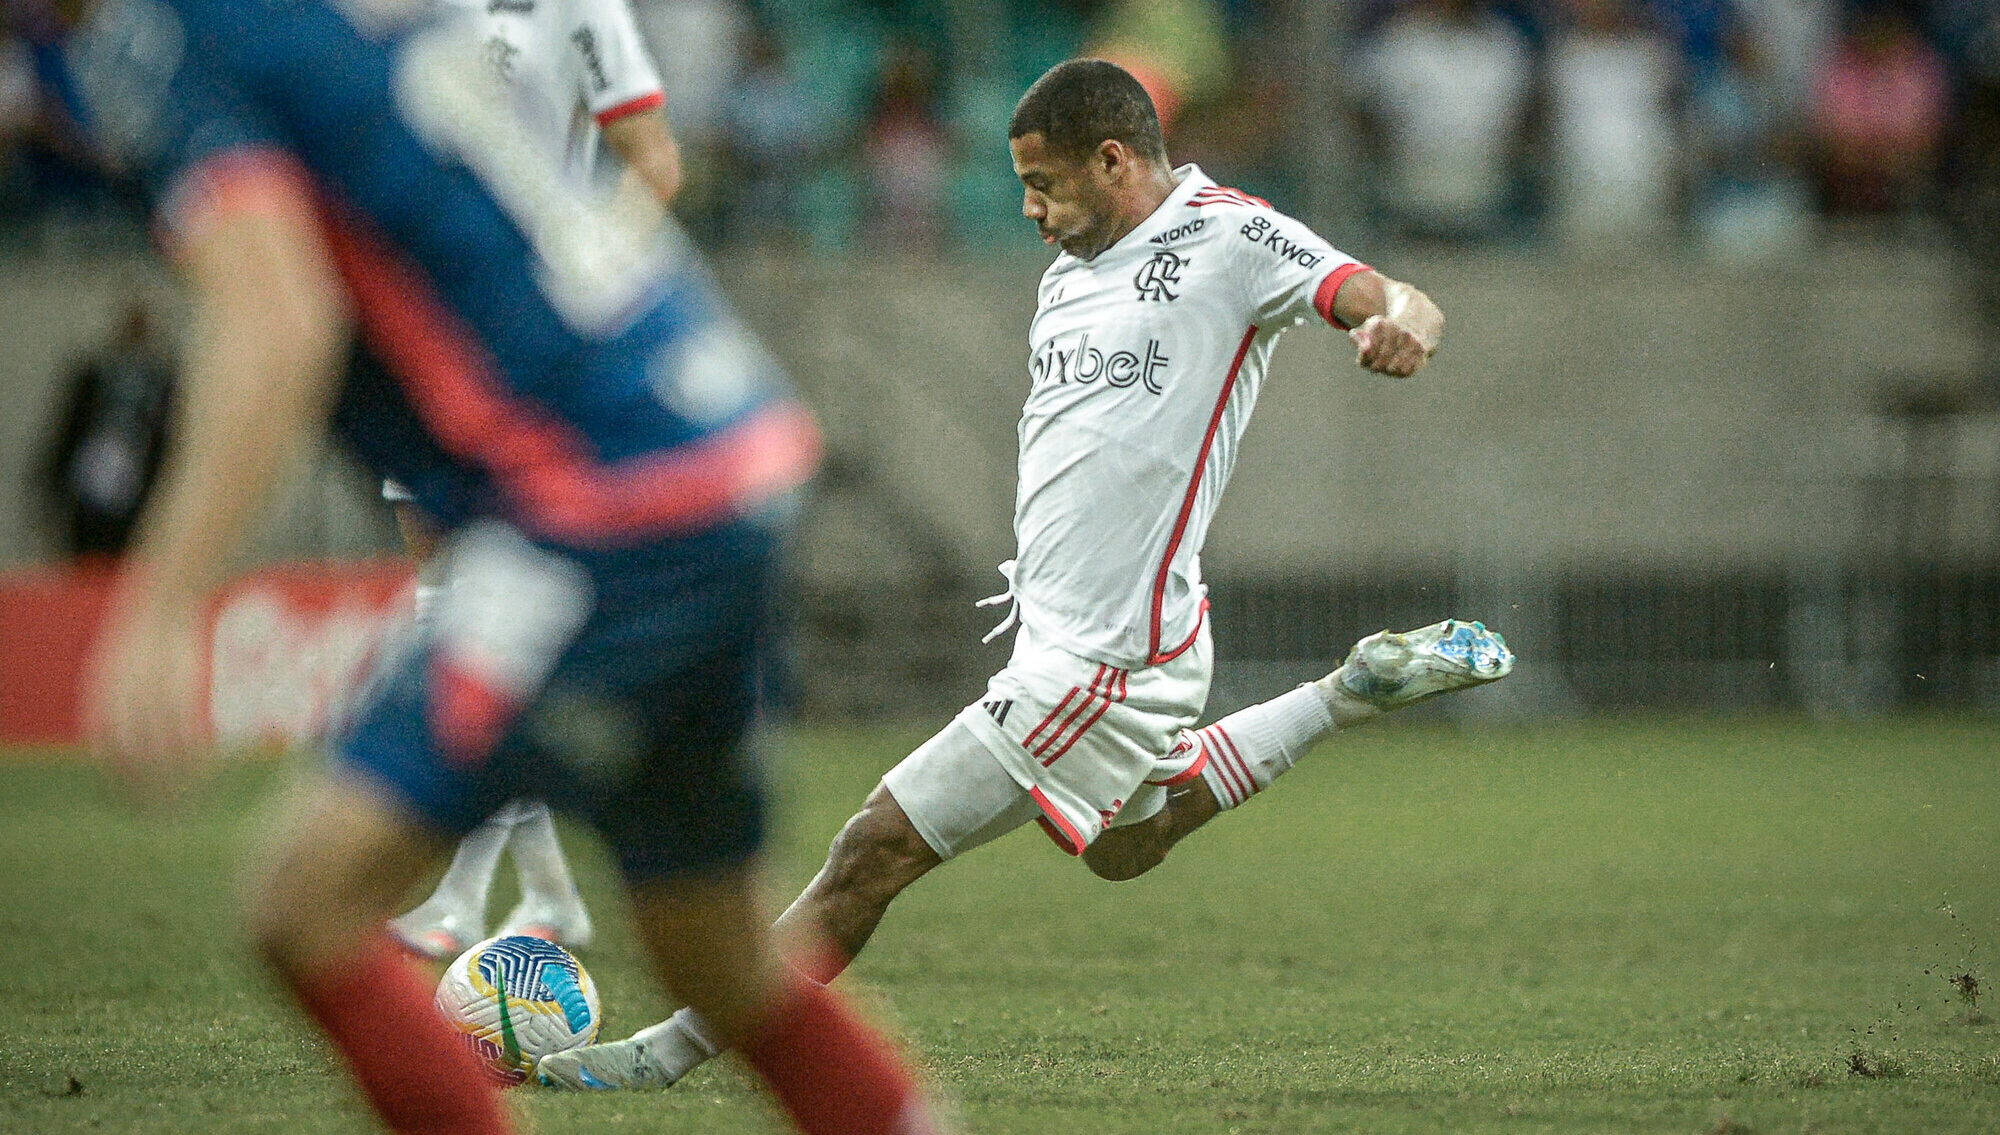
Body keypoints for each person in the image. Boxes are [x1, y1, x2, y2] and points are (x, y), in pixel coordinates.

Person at [539, 57, 1514, 1092]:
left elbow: (1380, 288)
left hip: (1102, 657)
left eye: (1041, 183)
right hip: (1102, 631)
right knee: (1121, 848)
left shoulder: (1229, 236)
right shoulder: (1067, 269)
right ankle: (1341, 695)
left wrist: (1400, 315)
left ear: (1111, 160)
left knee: (873, 848)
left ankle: (665, 1056)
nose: (1028, 208)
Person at [68, 1, 950, 1133]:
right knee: (716, 957)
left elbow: (280, 321)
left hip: (600, 498)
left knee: (309, 903)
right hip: (716, 447)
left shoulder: (176, 40)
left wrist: (158, 607)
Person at [386, 0, 690, 962]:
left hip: (525, 344)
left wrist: (590, 269)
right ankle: (543, 895)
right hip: (433, 329)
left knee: (479, 605)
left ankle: (466, 896)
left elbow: (655, 159)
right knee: (453, 601)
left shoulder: (580, 8)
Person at [34, 300, 177, 558]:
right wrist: (51, 483)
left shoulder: (160, 383)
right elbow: (69, 429)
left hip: (133, 487)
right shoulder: (95, 376)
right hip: (92, 483)